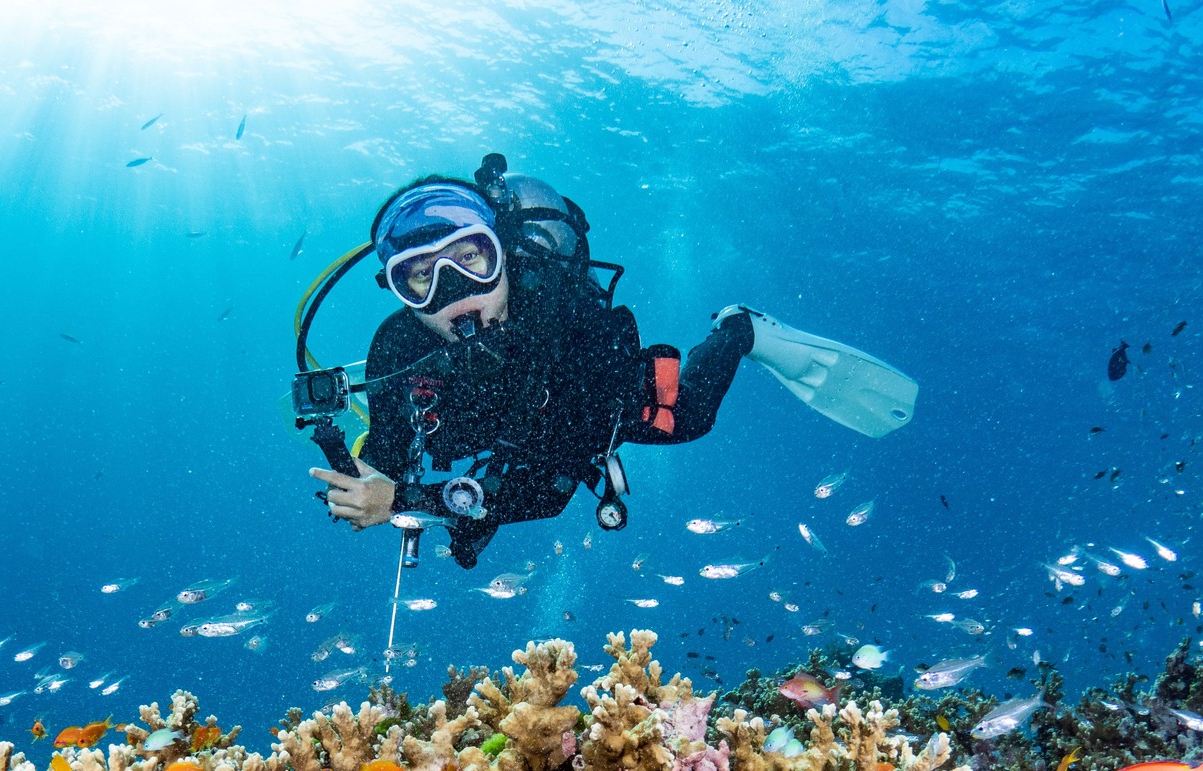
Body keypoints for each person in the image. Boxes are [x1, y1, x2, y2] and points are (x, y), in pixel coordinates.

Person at [312, 156, 917, 569]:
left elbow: (550, 491)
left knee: (690, 417)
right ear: (397, 291)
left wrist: (411, 503)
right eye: (420, 278)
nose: (455, 293)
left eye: (472, 259)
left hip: (583, 398)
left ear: (503, 254)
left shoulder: (562, 321)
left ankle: (740, 329)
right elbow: (389, 457)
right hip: (505, 434)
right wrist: (362, 479)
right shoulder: (397, 348)